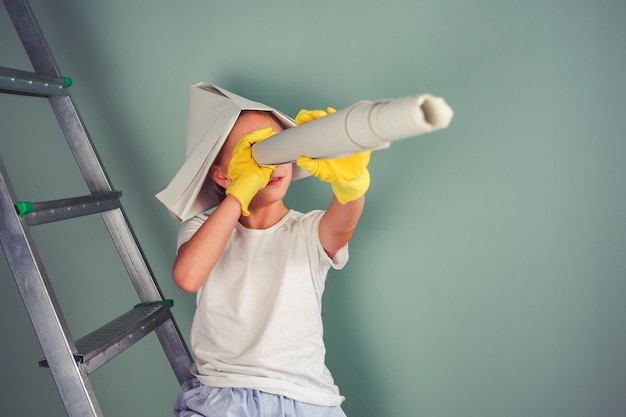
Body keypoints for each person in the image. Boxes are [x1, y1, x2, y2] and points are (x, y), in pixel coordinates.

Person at [157, 83, 370, 417]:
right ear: (221, 174)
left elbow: (342, 225)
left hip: (306, 398)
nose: (271, 163)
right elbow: (187, 276)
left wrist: (352, 185)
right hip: (223, 395)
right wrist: (241, 191)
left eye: (277, 148)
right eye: (254, 153)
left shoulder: (307, 230)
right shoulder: (201, 229)